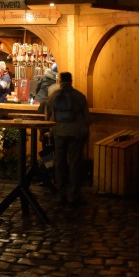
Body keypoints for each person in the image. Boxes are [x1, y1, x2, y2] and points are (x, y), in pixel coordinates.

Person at [45, 71, 91, 205]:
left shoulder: (53, 96)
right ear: (71, 81)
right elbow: (87, 118)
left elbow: (48, 116)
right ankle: (74, 194)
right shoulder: (80, 96)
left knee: (59, 163)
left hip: (59, 133)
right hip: (76, 134)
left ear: (59, 81)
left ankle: (61, 194)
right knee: (75, 163)